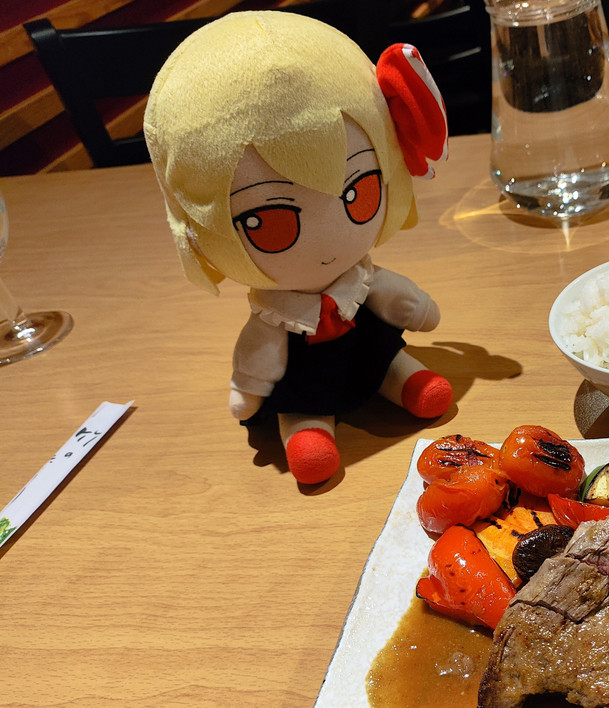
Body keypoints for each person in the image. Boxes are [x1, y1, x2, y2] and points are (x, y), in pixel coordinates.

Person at [144, 10, 452, 485]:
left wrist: (418, 308)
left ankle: (401, 377)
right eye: (270, 223)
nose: (328, 240)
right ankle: (307, 430)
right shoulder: (276, 315)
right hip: (304, 374)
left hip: (366, 346)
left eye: (360, 192)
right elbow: (260, 355)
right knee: (302, 403)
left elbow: (392, 294)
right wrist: (248, 389)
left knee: (388, 360)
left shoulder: (358, 280)